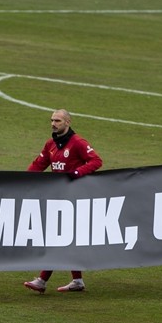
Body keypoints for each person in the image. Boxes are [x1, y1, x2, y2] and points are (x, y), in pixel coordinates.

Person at [23, 109, 102, 294]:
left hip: (74, 199)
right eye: (52, 120)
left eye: (57, 120)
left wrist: (77, 173)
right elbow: (38, 165)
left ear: (68, 122)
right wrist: (21, 181)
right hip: (58, 198)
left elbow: (96, 161)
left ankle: (43, 280)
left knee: (58, 238)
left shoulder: (78, 143)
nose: (53, 124)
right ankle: (77, 280)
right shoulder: (51, 144)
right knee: (64, 239)